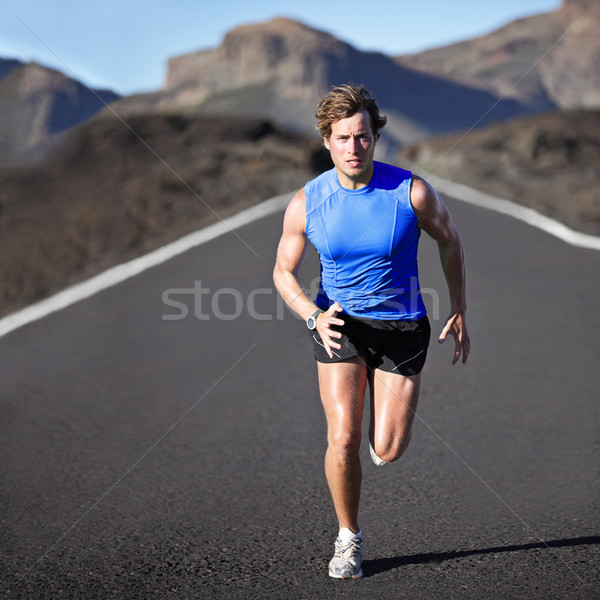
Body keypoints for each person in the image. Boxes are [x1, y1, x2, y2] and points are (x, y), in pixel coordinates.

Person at [273, 84, 470, 580]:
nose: (354, 148)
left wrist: (460, 305)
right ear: (327, 141)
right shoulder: (308, 202)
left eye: (362, 137)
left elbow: (450, 240)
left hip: (402, 327)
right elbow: (282, 272)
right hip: (339, 324)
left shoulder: (411, 192)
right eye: (343, 138)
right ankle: (348, 539)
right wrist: (311, 315)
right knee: (342, 438)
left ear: (375, 137)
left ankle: (379, 426)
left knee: (385, 448)